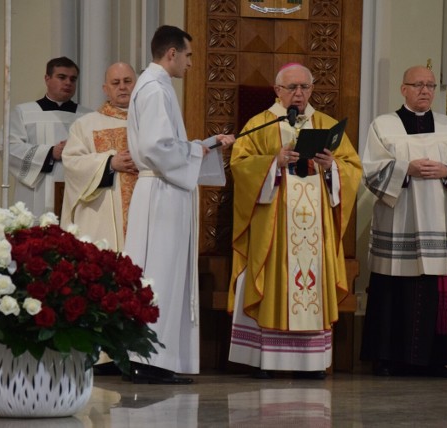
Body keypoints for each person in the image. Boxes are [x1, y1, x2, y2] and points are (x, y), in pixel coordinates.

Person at [227, 63, 362, 379]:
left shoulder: (327, 125)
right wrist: (273, 163)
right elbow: (240, 165)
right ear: (278, 91)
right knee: (276, 281)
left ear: (312, 90)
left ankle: (311, 362)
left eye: (304, 87)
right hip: (274, 225)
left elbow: (353, 169)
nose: (299, 94)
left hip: (315, 228)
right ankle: (268, 360)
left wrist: (331, 168)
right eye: (292, 88)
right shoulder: (259, 125)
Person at [124, 25, 235, 384]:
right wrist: (194, 149)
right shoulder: (156, 88)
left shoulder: (153, 85)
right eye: (187, 55)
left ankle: (150, 357)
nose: (190, 63)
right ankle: (148, 359)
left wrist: (203, 145)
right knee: (160, 276)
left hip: (161, 190)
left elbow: (165, 145)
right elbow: (158, 148)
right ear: (171, 54)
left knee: (158, 274)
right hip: (162, 195)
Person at [360, 65, 447, 378]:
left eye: (430, 85)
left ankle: (435, 359)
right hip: (397, 219)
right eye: (418, 85)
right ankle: (387, 358)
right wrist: (404, 169)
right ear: (403, 89)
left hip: (437, 220)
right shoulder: (383, 125)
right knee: (391, 288)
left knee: (433, 290)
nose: (425, 90)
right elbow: (371, 169)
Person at [61, 62, 138, 252]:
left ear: (137, 84)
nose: (122, 86)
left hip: (144, 212)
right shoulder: (86, 125)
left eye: (127, 81)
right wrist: (110, 162)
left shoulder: (152, 122)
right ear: (106, 89)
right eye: (115, 82)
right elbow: (72, 163)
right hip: (101, 218)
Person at [6, 56, 91, 217]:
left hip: (76, 191)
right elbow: (9, 148)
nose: (68, 83)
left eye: (73, 79)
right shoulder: (24, 112)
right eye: (61, 77)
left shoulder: (88, 116)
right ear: (47, 78)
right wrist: (50, 153)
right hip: (35, 194)